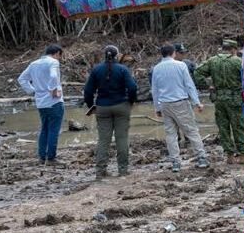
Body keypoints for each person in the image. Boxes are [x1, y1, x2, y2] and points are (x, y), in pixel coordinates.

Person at [82, 45, 138, 178]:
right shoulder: (123, 69)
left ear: (104, 55)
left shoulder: (96, 69)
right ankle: (123, 170)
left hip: (102, 107)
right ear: (117, 55)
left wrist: (91, 106)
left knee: (103, 140)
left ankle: (100, 171)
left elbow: (88, 91)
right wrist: (131, 101)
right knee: (122, 138)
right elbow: (132, 87)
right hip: (122, 106)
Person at [151, 43, 208, 172]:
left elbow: (154, 90)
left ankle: (175, 162)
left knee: (170, 134)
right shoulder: (181, 65)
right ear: (173, 53)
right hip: (180, 102)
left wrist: (157, 107)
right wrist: (197, 102)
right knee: (191, 130)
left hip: (165, 104)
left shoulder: (156, 68)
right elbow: (189, 85)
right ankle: (201, 158)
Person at [195, 40, 244, 163]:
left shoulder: (212, 61)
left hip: (219, 99)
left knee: (223, 127)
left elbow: (197, 72)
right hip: (235, 99)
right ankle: (243, 155)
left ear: (223, 48)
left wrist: (207, 86)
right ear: (233, 49)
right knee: (239, 126)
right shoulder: (239, 61)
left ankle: (229, 156)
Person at [17, 44, 65, 165]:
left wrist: (33, 91)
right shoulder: (53, 62)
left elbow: (21, 79)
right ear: (57, 53)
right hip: (54, 101)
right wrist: (53, 89)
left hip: (41, 102)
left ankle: (42, 157)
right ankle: (51, 158)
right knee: (53, 130)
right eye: (60, 56)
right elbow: (53, 76)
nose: (59, 59)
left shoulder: (34, 64)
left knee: (44, 129)